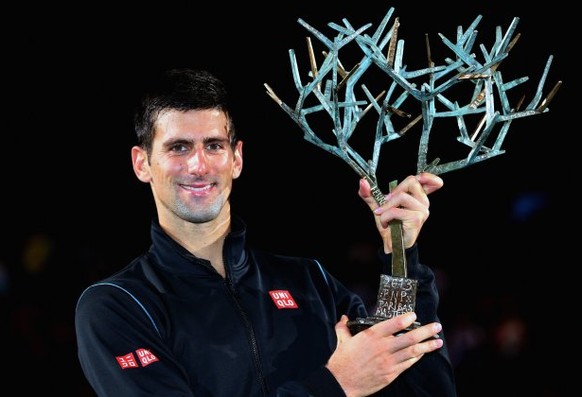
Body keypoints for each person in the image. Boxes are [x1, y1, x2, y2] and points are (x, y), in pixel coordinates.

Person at [74, 68, 457, 397]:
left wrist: (400, 258)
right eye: (178, 147)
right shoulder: (118, 306)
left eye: (214, 145)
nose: (198, 165)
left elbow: (421, 388)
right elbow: (343, 383)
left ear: (236, 158)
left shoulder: (310, 281)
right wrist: (334, 384)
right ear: (142, 163)